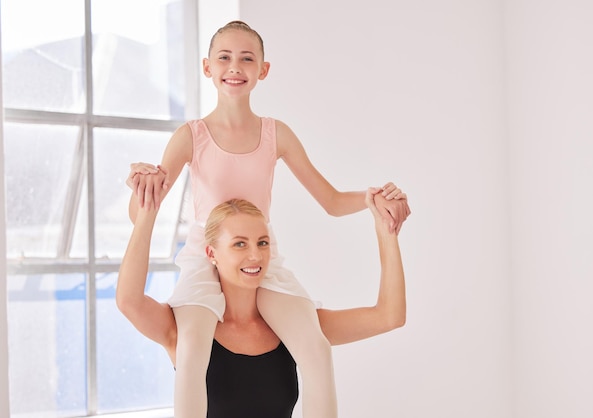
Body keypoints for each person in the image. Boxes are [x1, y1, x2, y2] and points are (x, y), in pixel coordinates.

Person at [126, 20, 411, 418]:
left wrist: (370, 199)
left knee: (315, 348)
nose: (235, 67)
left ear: (263, 69)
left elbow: (329, 201)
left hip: (260, 257)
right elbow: (141, 210)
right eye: (224, 58)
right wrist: (144, 189)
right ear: (207, 67)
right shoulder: (192, 135)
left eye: (247, 58)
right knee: (192, 350)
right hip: (205, 258)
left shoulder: (277, 135)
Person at [116, 189, 406, 417]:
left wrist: (387, 230)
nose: (255, 256)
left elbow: (388, 316)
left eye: (262, 243)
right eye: (240, 244)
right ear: (211, 253)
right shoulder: (182, 330)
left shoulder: (297, 327)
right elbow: (129, 301)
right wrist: (146, 214)